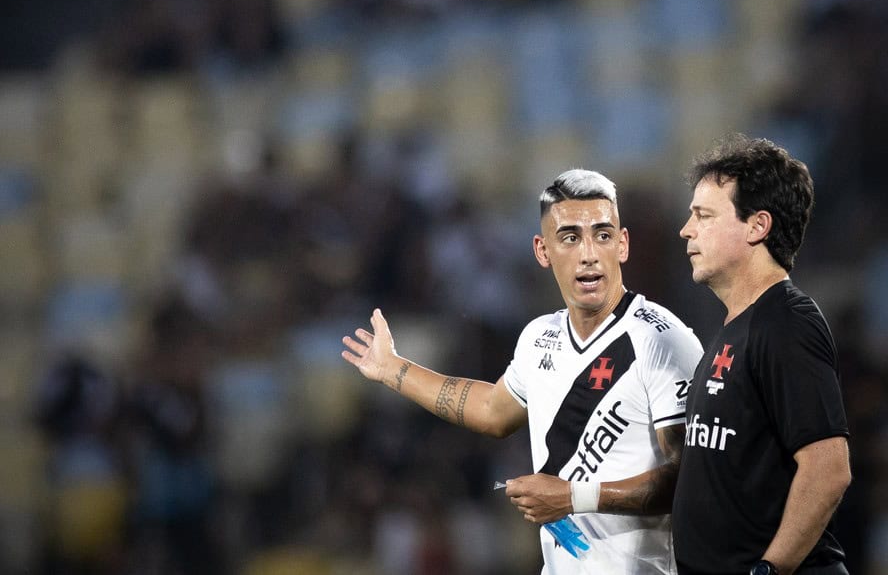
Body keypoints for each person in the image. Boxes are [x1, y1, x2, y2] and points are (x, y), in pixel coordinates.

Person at [342, 169, 703, 573]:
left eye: (602, 235)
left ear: (623, 244)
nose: (588, 254)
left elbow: (690, 477)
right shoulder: (539, 337)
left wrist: (574, 497)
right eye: (570, 237)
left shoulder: (663, 340)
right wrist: (394, 369)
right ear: (542, 250)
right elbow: (493, 410)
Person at [675, 135, 852, 575]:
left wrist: (770, 569)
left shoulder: (786, 322)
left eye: (704, 215)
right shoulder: (735, 330)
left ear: (757, 226)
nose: (687, 229)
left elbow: (828, 468)